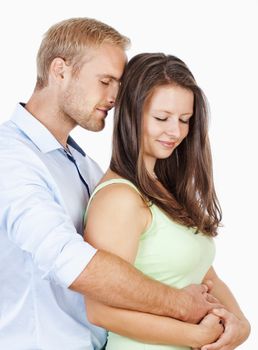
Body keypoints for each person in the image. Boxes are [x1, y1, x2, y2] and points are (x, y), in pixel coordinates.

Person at [0, 18, 223, 350]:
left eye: (119, 84)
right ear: (59, 71)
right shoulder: (11, 159)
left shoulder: (84, 167)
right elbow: (69, 259)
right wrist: (181, 305)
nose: (116, 97)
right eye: (105, 81)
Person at [84, 53, 251, 349]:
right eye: (161, 118)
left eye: (184, 120)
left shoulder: (164, 191)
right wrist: (194, 336)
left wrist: (241, 324)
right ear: (131, 114)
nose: (175, 132)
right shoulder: (118, 199)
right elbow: (99, 310)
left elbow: (203, 273)